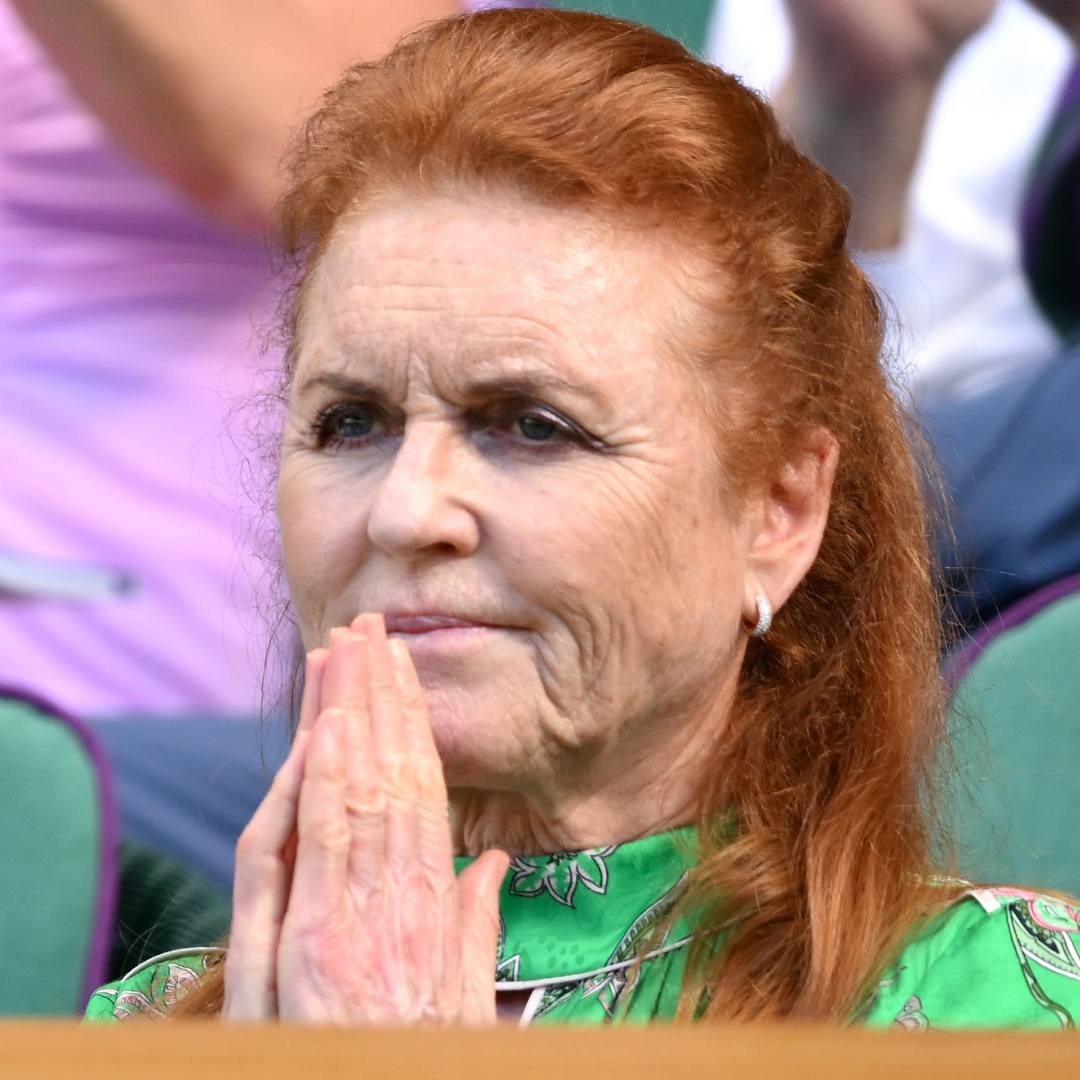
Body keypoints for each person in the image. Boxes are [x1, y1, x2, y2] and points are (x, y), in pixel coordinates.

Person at [85, 10, 1080, 1028]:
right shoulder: (148, 1025)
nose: (407, 510)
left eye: (533, 426)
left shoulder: (997, 1005)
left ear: (778, 515)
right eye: (351, 424)